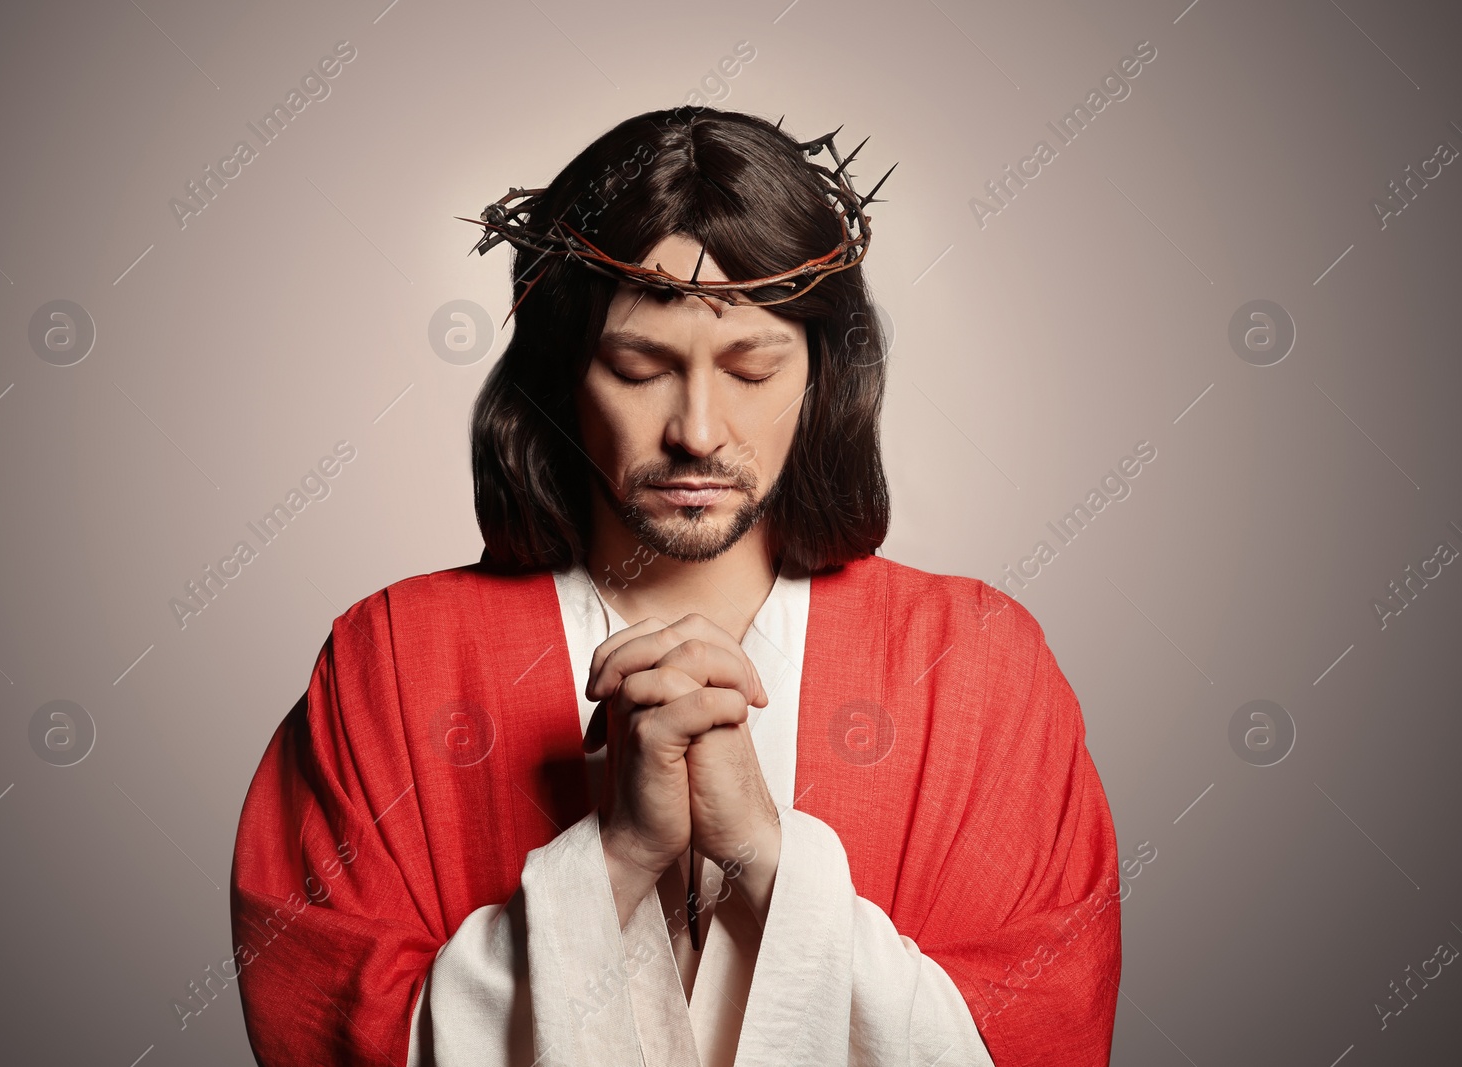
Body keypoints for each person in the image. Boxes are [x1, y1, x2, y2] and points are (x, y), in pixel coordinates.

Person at [229, 106, 1121, 1067]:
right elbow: (324, 1025)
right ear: (562, 376)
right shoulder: (394, 660)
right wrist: (612, 863)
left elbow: (1040, 1031)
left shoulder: (979, 662)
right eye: (640, 367)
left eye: (753, 366)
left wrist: (768, 860)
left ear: (823, 374)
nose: (698, 430)